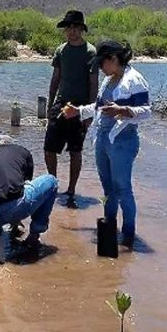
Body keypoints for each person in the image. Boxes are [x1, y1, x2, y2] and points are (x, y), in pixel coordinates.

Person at [63, 40, 150, 249]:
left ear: (113, 59)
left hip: (122, 140)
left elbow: (147, 111)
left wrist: (123, 110)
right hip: (103, 138)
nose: (100, 69)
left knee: (123, 188)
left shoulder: (134, 80)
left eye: (102, 64)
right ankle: (110, 228)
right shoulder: (109, 80)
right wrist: (79, 111)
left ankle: (128, 235)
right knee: (108, 188)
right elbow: (100, 107)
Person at [0, 136, 58, 258]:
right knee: (51, 181)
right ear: (11, 145)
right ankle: (34, 236)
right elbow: (23, 185)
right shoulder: (21, 151)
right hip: (12, 207)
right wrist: (15, 220)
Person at [44, 10, 98, 197]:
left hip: (80, 106)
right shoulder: (61, 50)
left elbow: (93, 83)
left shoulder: (90, 52)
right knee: (49, 148)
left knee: (75, 150)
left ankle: (71, 189)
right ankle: (52, 184)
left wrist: (89, 112)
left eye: (75, 28)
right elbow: (55, 78)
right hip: (61, 104)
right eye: (68, 28)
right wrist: (51, 104)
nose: (72, 32)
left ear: (82, 30)